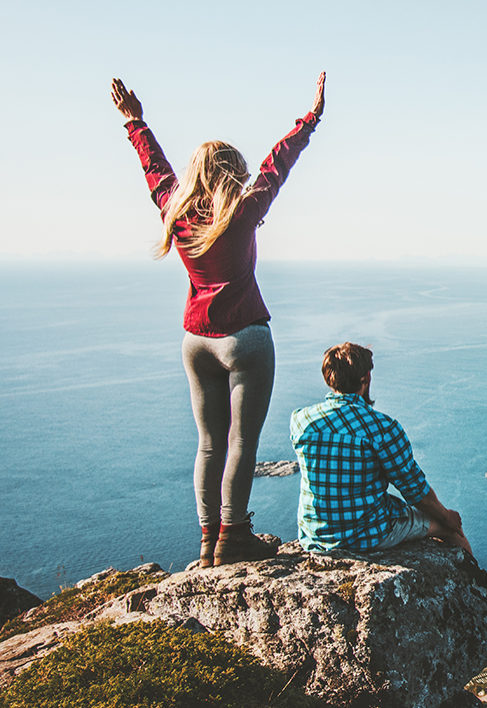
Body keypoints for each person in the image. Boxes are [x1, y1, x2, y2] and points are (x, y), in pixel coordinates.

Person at [112, 73, 325, 567]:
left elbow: (155, 169)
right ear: (233, 172)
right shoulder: (245, 209)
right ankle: (234, 536)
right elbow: (279, 162)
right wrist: (310, 118)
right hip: (245, 338)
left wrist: (135, 121)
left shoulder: (175, 211)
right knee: (241, 443)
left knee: (208, 444)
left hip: (195, 340)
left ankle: (208, 540)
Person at [291, 343, 487, 598]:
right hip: (366, 533)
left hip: (315, 535)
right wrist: (447, 516)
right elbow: (415, 490)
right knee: (451, 531)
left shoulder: (300, 420)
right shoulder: (382, 427)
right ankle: (484, 592)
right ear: (366, 378)